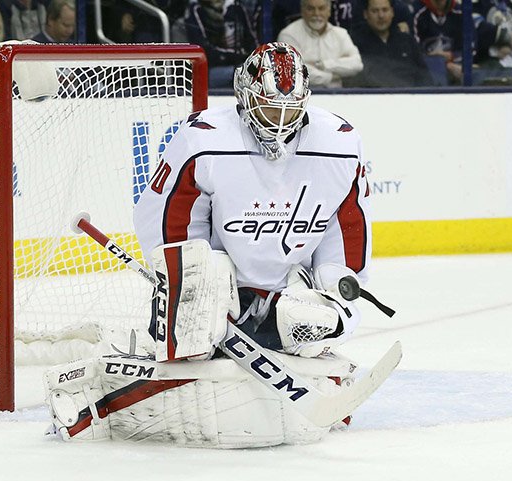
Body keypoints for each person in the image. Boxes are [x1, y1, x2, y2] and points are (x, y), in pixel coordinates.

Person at [45, 42, 375, 446]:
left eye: (291, 110)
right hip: (221, 285)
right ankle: (93, 406)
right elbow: (167, 220)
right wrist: (196, 291)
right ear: (245, 97)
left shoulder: (338, 142)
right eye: (270, 108)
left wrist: (333, 293)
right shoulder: (205, 139)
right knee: (193, 354)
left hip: (289, 287)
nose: (280, 122)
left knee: (313, 327)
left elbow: (346, 228)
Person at [277, 0, 363, 87]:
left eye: (321, 8)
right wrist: (332, 76)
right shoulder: (288, 35)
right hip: (302, 97)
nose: (316, 13)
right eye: (310, 9)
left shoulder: (340, 34)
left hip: (337, 97)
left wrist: (323, 65)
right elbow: (293, 71)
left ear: (329, 12)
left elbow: (357, 64)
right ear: (302, 11)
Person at [349, 0, 434, 86]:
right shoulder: (355, 43)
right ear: (365, 14)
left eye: (385, 10)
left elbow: (425, 77)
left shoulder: (407, 41)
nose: (381, 16)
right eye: (375, 11)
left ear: (392, 12)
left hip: (410, 95)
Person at [184, 0, 258, 88]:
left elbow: (252, 41)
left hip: (242, 64)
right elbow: (203, 51)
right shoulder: (195, 8)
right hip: (210, 69)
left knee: (260, 73)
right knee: (245, 75)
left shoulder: (236, 7)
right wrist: (238, 56)